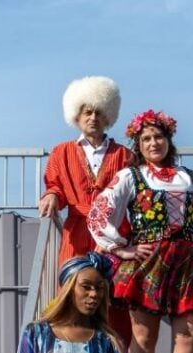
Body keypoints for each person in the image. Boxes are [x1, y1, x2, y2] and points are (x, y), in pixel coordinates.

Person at [88, 110, 193, 353]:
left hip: (186, 263)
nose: (153, 143)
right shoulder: (130, 176)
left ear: (169, 140)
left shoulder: (189, 178)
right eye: (146, 139)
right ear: (138, 145)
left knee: (189, 334)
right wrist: (121, 247)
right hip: (147, 263)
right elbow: (99, 212)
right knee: (145, 337)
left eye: (158, 136)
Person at [39, 76, 132, 264]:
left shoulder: (125, 155)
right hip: (76, 232)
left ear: (108, 116)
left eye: (99, 113)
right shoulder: (61, 152)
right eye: (88, 112)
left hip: (114, 233)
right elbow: (55, 185)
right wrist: (52, 195)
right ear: (77, 116)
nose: (93, 118)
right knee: (73, 286)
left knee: (113, 289)